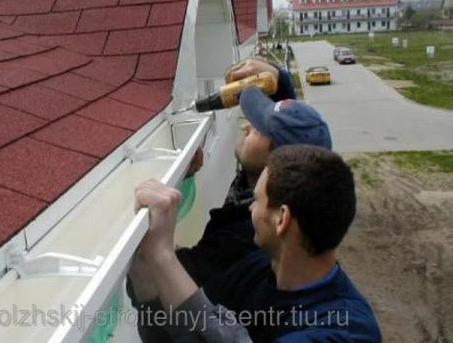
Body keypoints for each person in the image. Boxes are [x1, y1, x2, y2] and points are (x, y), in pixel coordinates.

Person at [129, 144, 382, 342]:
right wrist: (144, 271)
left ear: (281, 219)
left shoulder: (347, 329)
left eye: (257, 200)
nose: (250, 207)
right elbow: (176, 331)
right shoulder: (256, 270)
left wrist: (163, 255)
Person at [175, 84, 332, 286]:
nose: (245, 127)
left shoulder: (247, 238)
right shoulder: (250, 190)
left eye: (258, 129)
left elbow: (162, 285)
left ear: (276, 161)